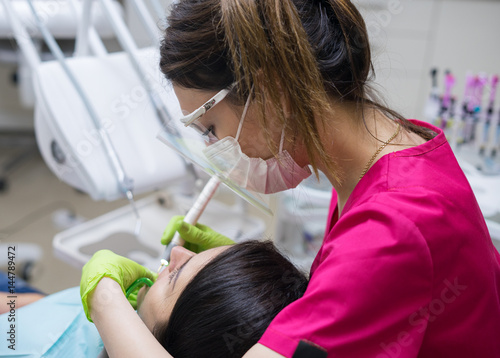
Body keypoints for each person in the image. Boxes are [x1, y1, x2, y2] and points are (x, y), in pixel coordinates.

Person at [89, 0, 500, 357]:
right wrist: (230, 270)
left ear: (270, 91)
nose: (214, 148)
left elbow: (377, 257)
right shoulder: (390, 148)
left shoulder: (394, 227)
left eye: (210, 128)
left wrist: (106, 299)